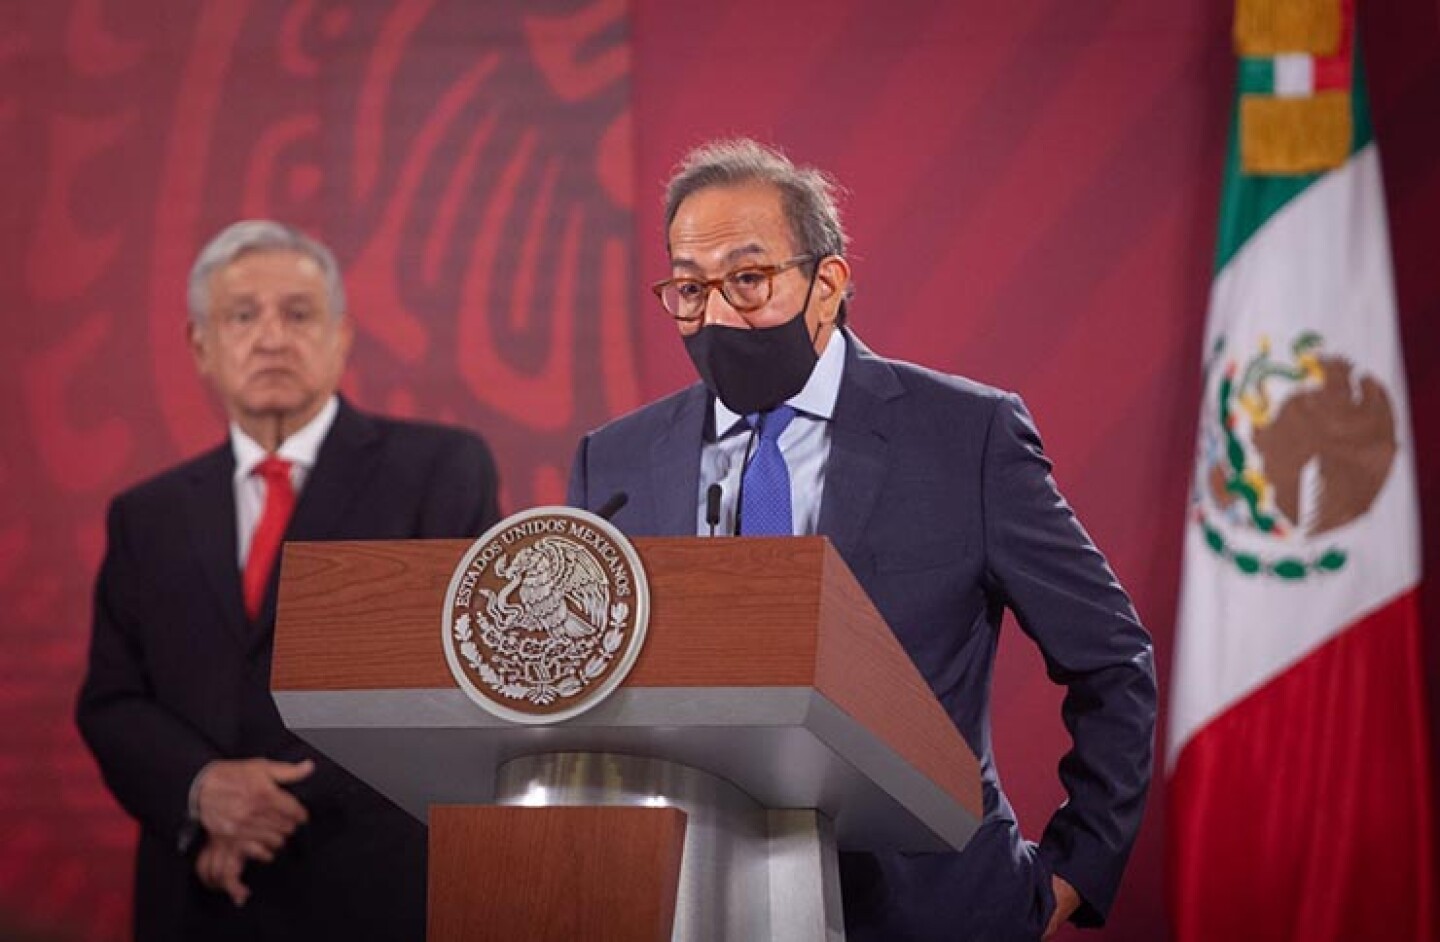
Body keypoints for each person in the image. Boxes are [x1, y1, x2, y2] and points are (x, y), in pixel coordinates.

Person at [567, 139, 1157, 941]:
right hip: (685, 896)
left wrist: (1075, 872)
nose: (716, 315)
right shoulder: (619, 459)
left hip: (933, 904)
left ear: (828, 283)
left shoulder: (966, 436)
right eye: (689, 288)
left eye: (748, 279)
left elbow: (1112, 660)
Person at [76, 220, 501, 941]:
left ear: (341, 336)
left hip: (373, 882)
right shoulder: (144, 516)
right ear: (200, 346)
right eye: (243, 316)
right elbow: (113, 701)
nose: (271, 337)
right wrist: (204, 793)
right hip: (200, 894)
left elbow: (461, 674)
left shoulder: (437, 471)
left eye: (298, 314)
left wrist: (267, 808)